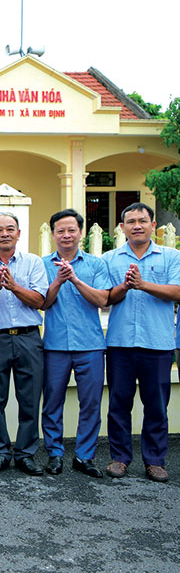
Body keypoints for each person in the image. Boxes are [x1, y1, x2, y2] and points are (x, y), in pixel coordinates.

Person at [103, 202, 180, 482]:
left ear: (153, 226)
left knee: (156, 405)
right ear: (122, 228)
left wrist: (143, 284)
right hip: (120, 343)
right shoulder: (110, 259)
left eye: (142, 220)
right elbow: (105, 296)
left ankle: (155, 460)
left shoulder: (170, 257)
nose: (137, 225)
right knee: (119, 402)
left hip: (157, 343)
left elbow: (178, 291)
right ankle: (120, 458)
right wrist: (124, 286)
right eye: (131, 221)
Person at [0, 212, 48, 476]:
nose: (5, 233)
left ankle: (26, 454)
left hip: (28, 337)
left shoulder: (33, 263)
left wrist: (13, 286)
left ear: (19, 233)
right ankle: (0, 453)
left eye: (10, 229)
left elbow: (40, 300)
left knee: (29, 398)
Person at [39, 209, 111, 479]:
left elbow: (102, 300)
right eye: (61, 230)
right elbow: (43, 302)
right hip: (55, 345)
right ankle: (55, 453)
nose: (66, 235)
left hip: (90, 344)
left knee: (91, 402)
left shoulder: (95, 264)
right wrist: (58, 280)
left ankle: (84, 455)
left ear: (80, 232)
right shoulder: (43, 264)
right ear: (53, 234)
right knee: (52, 402)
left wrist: (76, 279)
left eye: (72, 230)